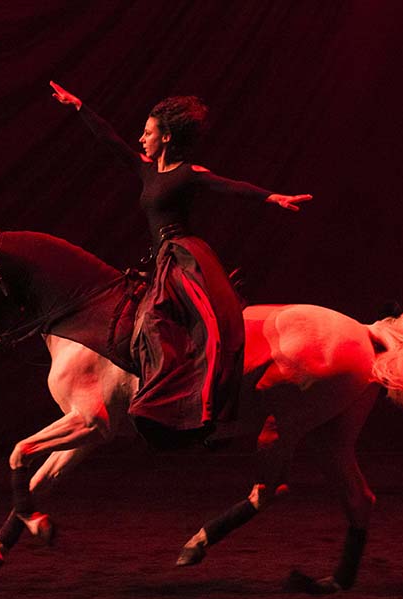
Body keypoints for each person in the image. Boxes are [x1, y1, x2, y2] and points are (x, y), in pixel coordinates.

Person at [50, 81, 311, 448]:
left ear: (167, 137)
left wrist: (273, 197)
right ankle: (163, 398)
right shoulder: (146, 170)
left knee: (169, 320)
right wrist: (80, 108)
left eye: (148, 132)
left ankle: (186, 406)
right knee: (147, 319)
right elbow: (111, 142)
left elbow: (229, 186)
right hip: (161, 258)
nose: (141, 138)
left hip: (184, 256)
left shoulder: (187, 174)